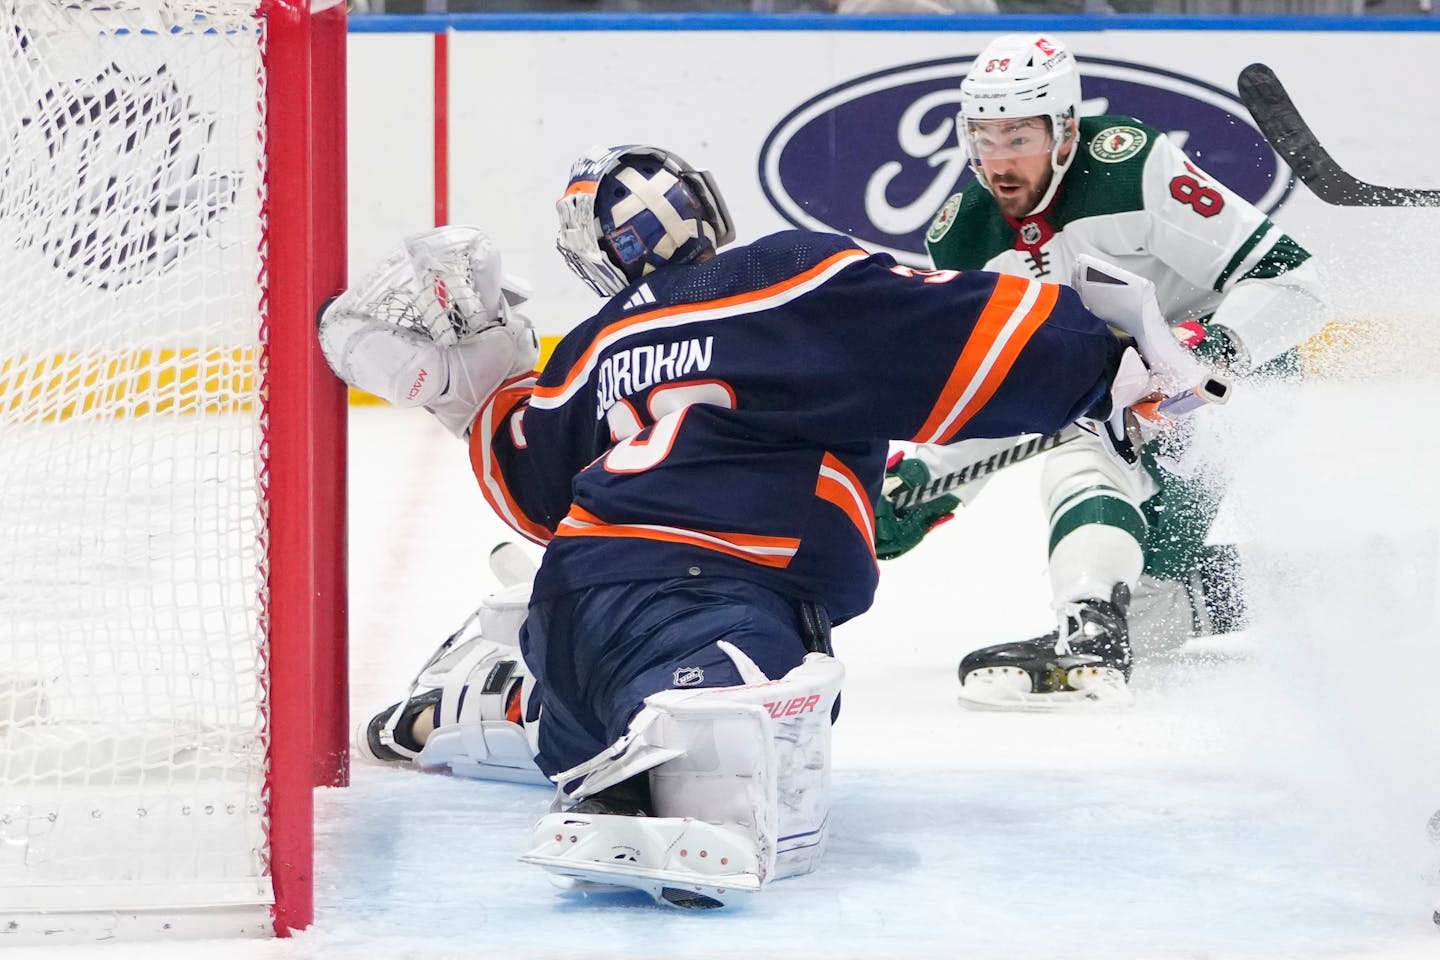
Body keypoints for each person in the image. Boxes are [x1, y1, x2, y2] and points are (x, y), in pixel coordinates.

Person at [317, 143, 1195, 907]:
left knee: (589, 702)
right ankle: (652, 780)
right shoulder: (792, 276)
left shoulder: (590, 347)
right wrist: (1115, 358)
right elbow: (954, 330)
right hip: (713, 588)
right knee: (755, 698)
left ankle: (480, 704)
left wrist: (478, 385)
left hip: (575, 593)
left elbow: (529, 486)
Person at [898, 32, 1326, 708]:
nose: (1000, 161)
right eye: (985, 138)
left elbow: (1298, 281)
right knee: (1151, 615)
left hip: (1229, 385)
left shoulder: (1132, 166)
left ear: (1066, 130)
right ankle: (1323, 582)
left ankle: (1088, 624)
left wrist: (1209, 347)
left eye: (1020, 138)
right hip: (1126, 405)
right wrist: (926, 483)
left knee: (1082, 451)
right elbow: (1001, 398)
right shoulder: (963, 239)